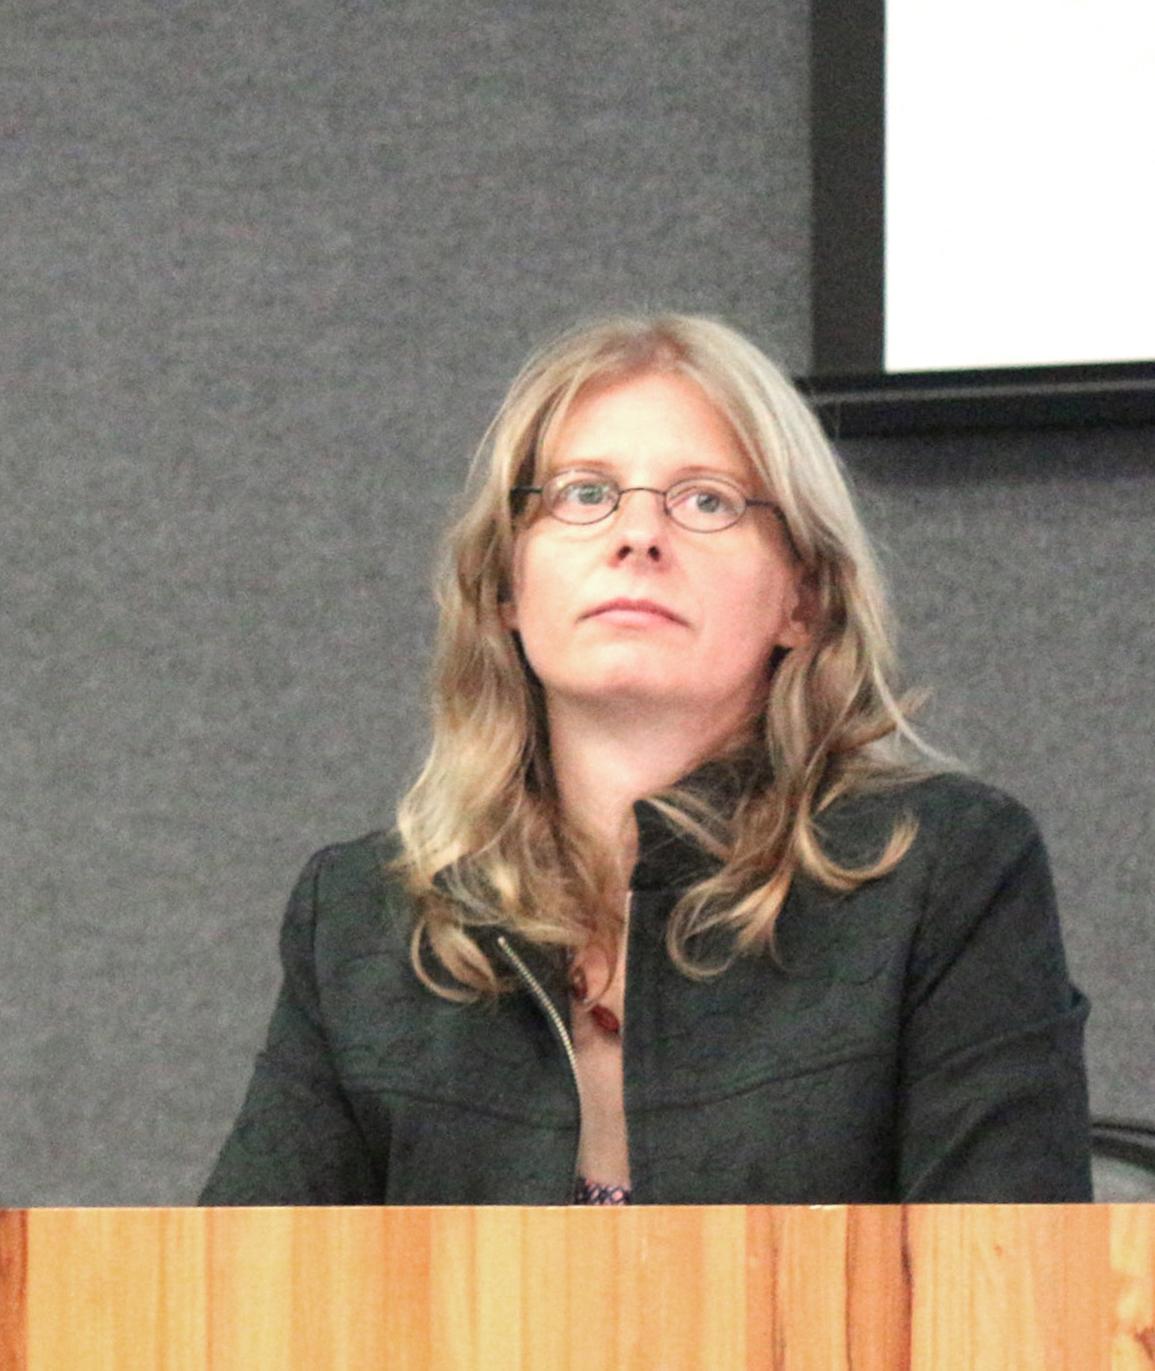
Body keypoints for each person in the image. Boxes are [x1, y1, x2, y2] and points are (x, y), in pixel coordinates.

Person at [203, 314, 1090, 1205]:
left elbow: (1004, 1276)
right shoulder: (364, 921)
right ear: (506, 585)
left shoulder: (940, 873)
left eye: (707, 501)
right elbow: (237, 1283)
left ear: (803, 599)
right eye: (583, 493)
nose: (637, 535)